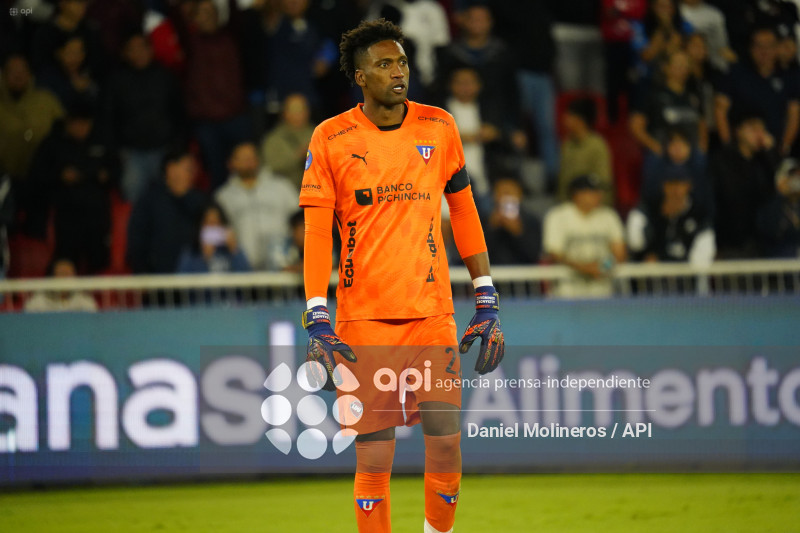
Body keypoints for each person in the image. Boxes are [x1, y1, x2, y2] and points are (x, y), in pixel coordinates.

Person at [298, 19, 504, 533]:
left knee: (446, 436)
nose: (398, 72)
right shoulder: (330, 138)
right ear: (360, 77)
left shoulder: (440, 126)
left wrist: (486, 295)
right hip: (363, 321)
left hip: (431, 314)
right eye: (384, 64)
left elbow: (465, 212)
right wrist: (316, 315)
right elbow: (317, 233)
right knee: (373, 454)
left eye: (403, 62)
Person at [27, 102, 114, 273]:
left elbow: (116, 169)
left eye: (85, 123)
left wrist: (105, 175)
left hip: (97, 216)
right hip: (67, 217)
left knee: (99, 267)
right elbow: (37, 175)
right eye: (77, 123)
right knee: (65, 266)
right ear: (68, 123)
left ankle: (96, 301)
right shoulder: (53, 143)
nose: (82, 128)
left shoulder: (103, 139)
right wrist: (60, 175)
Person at [104, 33, 184, 203]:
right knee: (133, 201)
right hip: (132, 154)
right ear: (124, 54)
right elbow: (109, 119)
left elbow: (179, 113)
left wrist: (177, 148)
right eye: (132, 49)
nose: (139, 53)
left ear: (151, 49)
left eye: (142, 47)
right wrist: (115, 153)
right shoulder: (116, 81)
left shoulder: (165, 76)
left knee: (169, 201)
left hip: (164, 151)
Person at [715, 26, 800, 156]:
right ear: (751, 49)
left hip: (774, 149)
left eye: (769, 46)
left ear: (777, 48)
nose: (764, 51)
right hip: (742, 150)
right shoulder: (736, 73)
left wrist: (785, 147)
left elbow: (794, 114)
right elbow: (720, 109)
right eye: (759, 46)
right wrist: (728, 146)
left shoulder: (789, 76)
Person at [215, 141, 299, 270]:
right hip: (243, 270)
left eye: (252, 156)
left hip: (283, 267)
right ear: (231, 163)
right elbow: (211, 232)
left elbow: (302, 220)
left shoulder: (282, 186)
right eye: (243, 158)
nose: (249, 161)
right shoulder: (223, 196)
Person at [709, 109, 779, 258]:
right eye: (753, 129)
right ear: (738, 131)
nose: (759, 134)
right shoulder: (723, 160)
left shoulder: (763, 160)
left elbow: (776, 187)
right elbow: (732, 195)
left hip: (761, 243)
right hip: (730, 242)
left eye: (762, 129)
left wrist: (770, 153)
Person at [543, 174, 627, 298]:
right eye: (593, 192)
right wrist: (585, 268)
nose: (599, 196)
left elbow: (619, 253)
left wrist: (603, 267)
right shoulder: (558, 216)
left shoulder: (609, 216)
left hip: (602, 288)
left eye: (599, 191)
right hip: (567, 289)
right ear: (577, 194)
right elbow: (555, 254)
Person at [126, 148, 208, 273]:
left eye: (193, 169)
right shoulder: (148, 200)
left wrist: (186, 198)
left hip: (194, 280)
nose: (193, 174)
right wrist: (141, 273)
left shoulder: (201, 200)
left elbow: (215, 231)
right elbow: (137, 240)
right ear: (171, 169)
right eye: (188, 169)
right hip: (158, 280)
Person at [627, 170, 716, 265]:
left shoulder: (699, 216)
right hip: (651, 276)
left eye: (680, 185)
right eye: (672, 185)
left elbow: (701, 262)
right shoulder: (651, 211)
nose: (676, 191)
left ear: (688, 186)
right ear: (664, 186)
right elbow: (636, 244)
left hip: (685, 276)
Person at [0, 53, 64, 185]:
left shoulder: (46, 100)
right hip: (4, 179)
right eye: (13, 72)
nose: (18, 76)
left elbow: (66, 132)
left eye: (22, 71)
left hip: (44, 180)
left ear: (30, 74)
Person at [558, 98, 613, 203]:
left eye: (569, 115)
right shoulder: (567, 144)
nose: (564, 118)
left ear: (580, 120)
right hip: (568, 206)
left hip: (591, 206)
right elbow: (562, 181)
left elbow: (603, 182)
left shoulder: (597, 145)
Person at [176, 202, 250, 273]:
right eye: (209, 223)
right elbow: (182, 281)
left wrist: (234, 250)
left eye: (217, 223)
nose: (213, 227)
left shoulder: (232, 249)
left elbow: (248, 278)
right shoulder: (190, 253)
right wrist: (205, 258)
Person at [261, 93, 314, 189]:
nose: (298, 115)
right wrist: (298, 155)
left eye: (301, 110)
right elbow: (270, 167)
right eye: (293, 110)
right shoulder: (274, 139)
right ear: (284, 113)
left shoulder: (318, 133)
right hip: (284, 191)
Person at [484, 178, 541, 265]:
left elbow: (534, 255)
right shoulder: (483, 220)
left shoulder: (531, 221)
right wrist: (491, 227)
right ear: (494, 196)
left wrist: (518, 233)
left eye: (509, 192)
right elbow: (475, 255)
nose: (506, 197)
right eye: (502, 192)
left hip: (523, 275)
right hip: (491, 274)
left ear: (520, 195)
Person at [757, 157, 800, 257]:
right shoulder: (770, 206)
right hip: (780, 264)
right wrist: (781, 195)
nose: (795, 180)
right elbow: (770, 230)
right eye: (791, 176)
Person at [24, 257, 98, 312]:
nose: (65, 279)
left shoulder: (84, 301)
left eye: (69, 274)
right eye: (62, 274)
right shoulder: (38, 302)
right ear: (52, 277)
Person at [679, 0, 736, 71]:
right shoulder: (674, 10)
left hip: (711, 64)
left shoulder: (714, 15)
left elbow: (722, 47)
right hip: (681, 62)